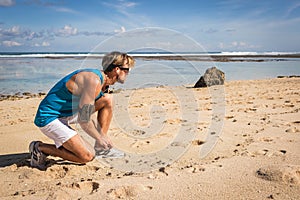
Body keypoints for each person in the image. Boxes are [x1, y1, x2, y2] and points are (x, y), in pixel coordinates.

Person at [30, 51, 135, 170]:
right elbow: (84, 120)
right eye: (127, 70)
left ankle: (101, 149)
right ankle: (40, 148)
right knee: (86, 156)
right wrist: (100, 137)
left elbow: (86, 114)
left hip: (69, 113)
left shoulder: (104, 84)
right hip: (49, 117)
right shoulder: (94, 80)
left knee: (107, 100)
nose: (128, 73)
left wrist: (101, 136)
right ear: (117, 69)